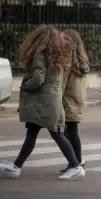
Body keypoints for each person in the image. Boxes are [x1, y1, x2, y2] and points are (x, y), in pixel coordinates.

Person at [0, 25, 85, 180]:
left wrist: (25, 85)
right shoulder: (58, 55)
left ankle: (75, 166)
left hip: (42, 103)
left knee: (52, 134)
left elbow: (38, 79)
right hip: (51, 102)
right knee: (36, 133)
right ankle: (16, 166)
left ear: (38, 38)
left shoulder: (41, 54)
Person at [59, 29, 90, 174]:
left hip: (69, 100)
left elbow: (63, 83)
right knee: (70, 132)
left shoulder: (69, 61)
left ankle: (75, 163)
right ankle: (76, 162)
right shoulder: (82, 59)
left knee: (68, 132)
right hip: (77, 100)